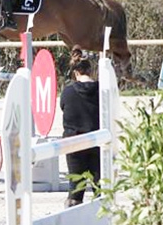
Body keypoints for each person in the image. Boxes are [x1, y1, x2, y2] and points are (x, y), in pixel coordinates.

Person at [60, 46, 100, 208]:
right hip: (97, 141)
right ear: (91, 71)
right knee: (101, 188)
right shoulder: (101, 90)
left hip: (73, 142)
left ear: (75, 72)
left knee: (75, 190)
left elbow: (63, 108)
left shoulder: (67, 91)